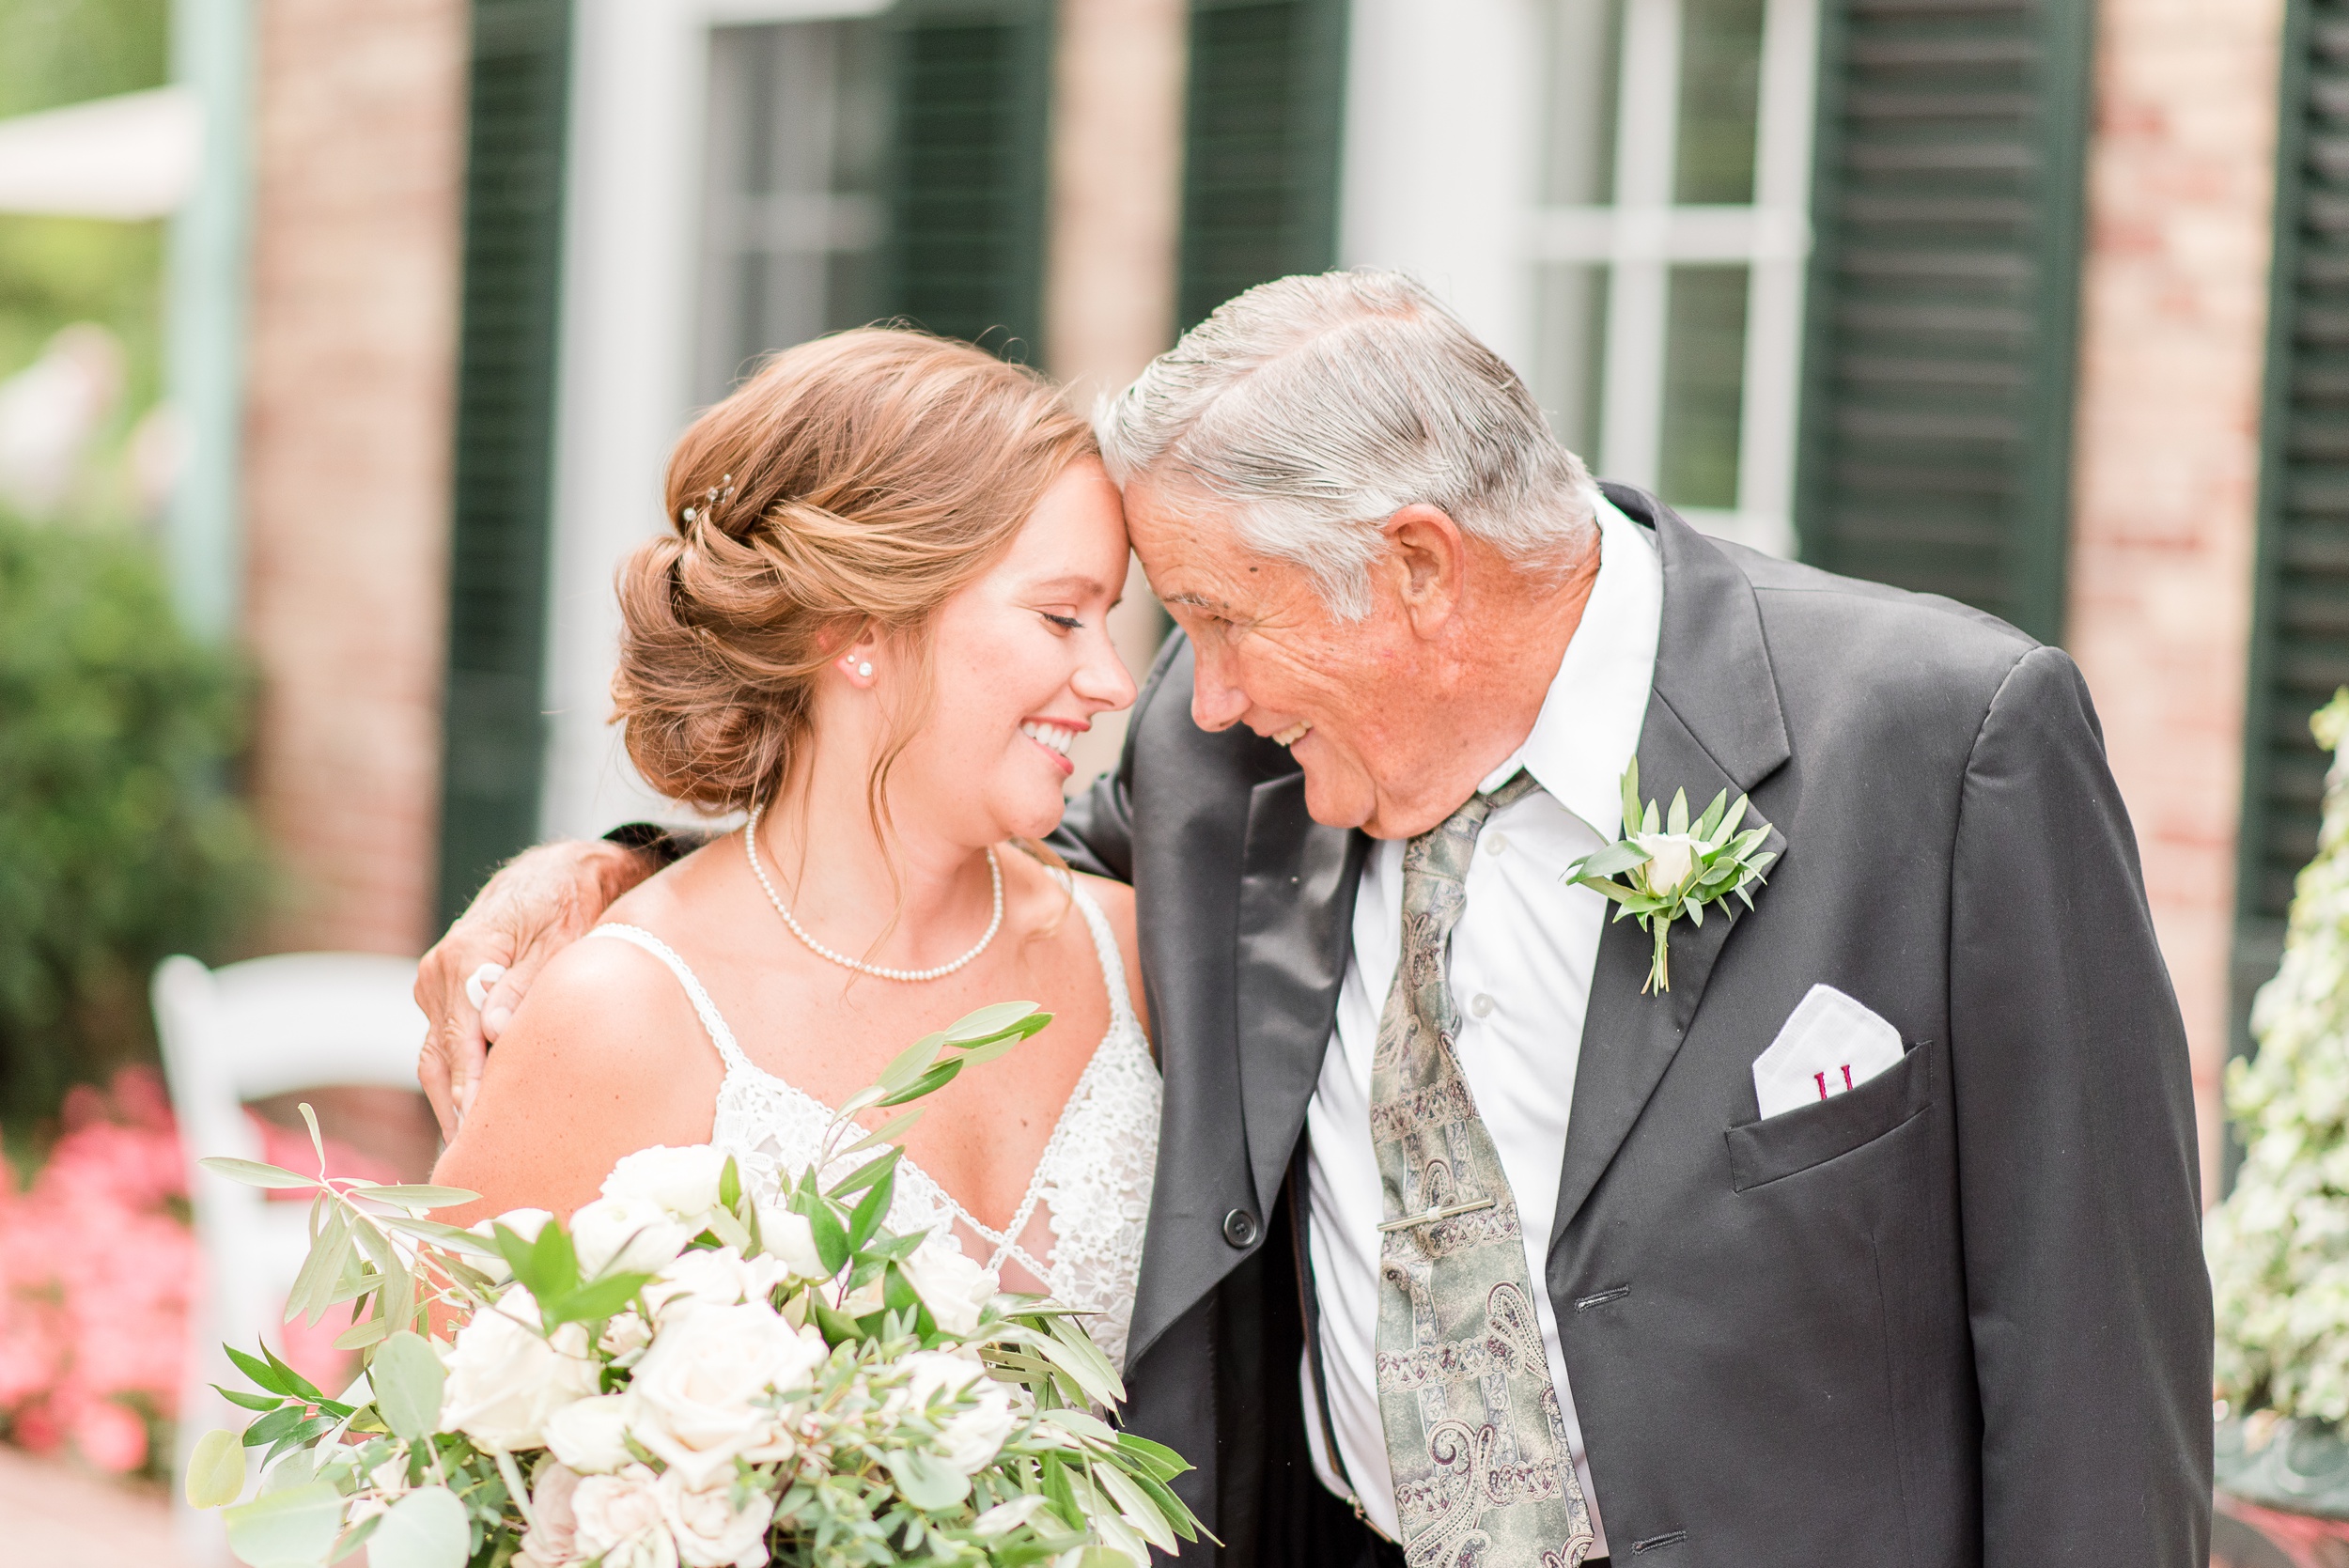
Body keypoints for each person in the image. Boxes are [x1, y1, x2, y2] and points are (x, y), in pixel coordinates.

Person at [418, 272, 2212, 1568]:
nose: (1185, 696)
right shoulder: (1223, 792)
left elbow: (2095, 1359)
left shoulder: (1941, 738)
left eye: (1212, 614)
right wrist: (596, 876)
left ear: (1419, 570)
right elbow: (876, 867)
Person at [428, 328, 1161, 1370]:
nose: (1115, 682)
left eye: (1110, 620)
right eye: (1060, 617)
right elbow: (434, 1453)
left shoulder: (1133, 956)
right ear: (855, 628)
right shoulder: (620, 1013)